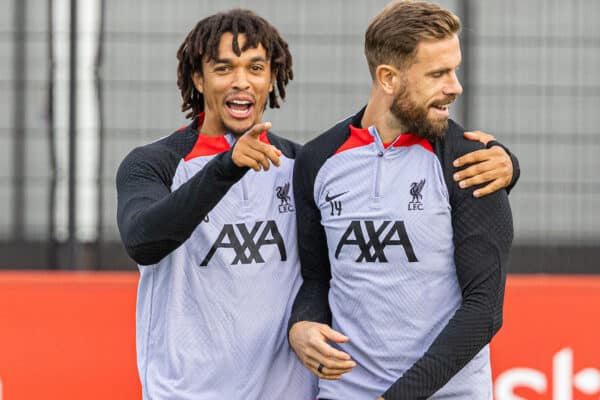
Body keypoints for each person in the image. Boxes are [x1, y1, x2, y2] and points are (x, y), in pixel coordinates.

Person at [116, 7, 517, 400]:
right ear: (197, 79)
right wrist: (226, 167)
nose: (242, 82)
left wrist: (510, 166)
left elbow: (319, 277)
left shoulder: (301, 164)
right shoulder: (156, 165)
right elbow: (143, 240)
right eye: (223, 69)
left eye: (256, 68)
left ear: (273, 76)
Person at [288, 1, 514, 399]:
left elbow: (484, 312)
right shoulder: (317, 160)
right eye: (438, 73)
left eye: (455, 69)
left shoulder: (474, 162)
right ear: (388, 78)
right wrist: (302, 325)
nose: (455, 86)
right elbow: (316, 279)